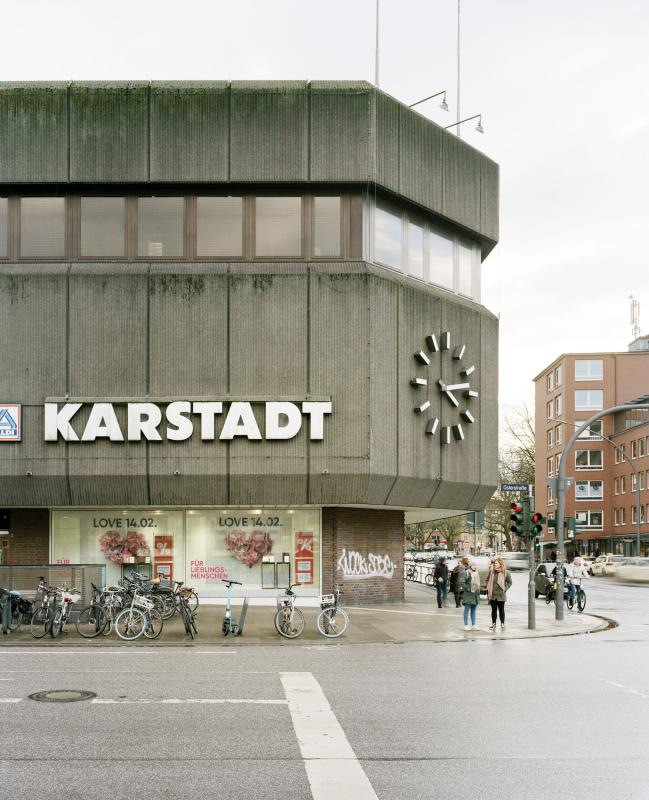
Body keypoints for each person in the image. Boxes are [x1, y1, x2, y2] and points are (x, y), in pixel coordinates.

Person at [486, 557, 512, 631]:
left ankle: (502, 624)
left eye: (496, 563)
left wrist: (505, 589)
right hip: (493, 594)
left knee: (501, 610)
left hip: (501, 595)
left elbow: (510, 582)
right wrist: (488, 587)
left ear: (500, 564)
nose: (495, 564)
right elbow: (487, 580)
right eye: (495, 563)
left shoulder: (506, 572)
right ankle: (493, 624)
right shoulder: (491, 572)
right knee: (493, 610)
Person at [461, 561, 480, 630]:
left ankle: (474, 624)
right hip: (468, 594)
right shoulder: (467, 573)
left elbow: (478, 583)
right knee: (467, 609)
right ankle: (466, 625)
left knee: (474, 610)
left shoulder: (476, 572)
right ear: (470, 566)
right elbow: (462, 582)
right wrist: (468, 589)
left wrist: (478, 592)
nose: (475, 566)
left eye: (475, 565)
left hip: (475, 594)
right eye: (473, 565)